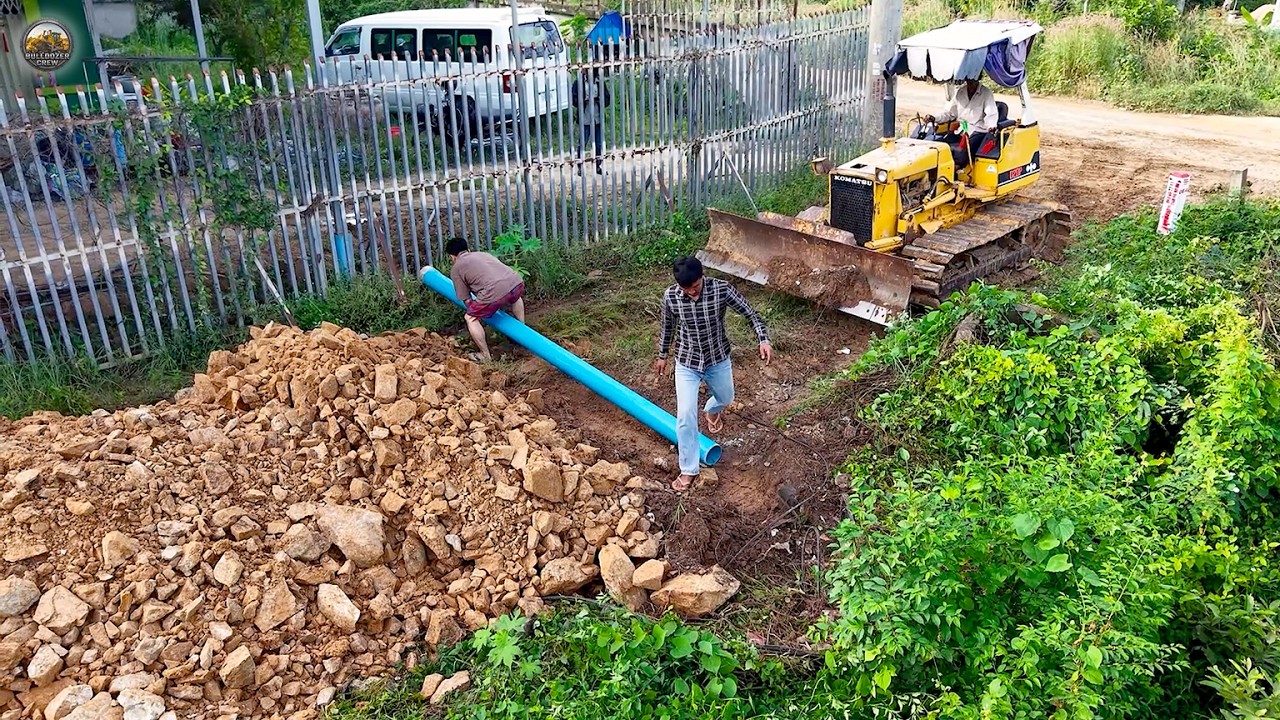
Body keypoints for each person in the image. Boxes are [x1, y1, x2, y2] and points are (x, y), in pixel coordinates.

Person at [653, 256, 772, 492]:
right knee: (685, 415)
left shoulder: (721, 289)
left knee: (726, 398)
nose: (692, 294)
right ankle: (688, 470)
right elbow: (667, 327)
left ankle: (712, 410)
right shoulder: (671, 297)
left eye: (695, 287)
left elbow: (750, 312)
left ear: (702, 277)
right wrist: (662, 355)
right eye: (686, 290)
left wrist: (763, 339)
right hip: (687, 363)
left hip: (717, 359)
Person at [446, 237, 525, 362]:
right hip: (516, 282)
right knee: (515, 297)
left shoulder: (456, 268)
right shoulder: (483, 254)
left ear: (452, 257)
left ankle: (485, 355)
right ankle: (522, 330)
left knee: (470, 318)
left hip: (494, 293)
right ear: (468, 249)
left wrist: (479, 311)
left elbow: (466, 299)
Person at [924, 76, 998, 169]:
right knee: (940, 144)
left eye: (973, 79)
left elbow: (991, 112)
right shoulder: (960, 92)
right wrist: (934, 118)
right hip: (961, 129)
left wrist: (991, 126)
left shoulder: (986, 93)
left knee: (962, 151)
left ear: (978, 78)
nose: (971, 82)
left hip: (978, 130)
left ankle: (954, 170)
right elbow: (950, 113)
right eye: (969, 79)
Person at [571, 65, 611, 175]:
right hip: (585, 118)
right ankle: (580, 167)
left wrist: (599, 100)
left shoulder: (599, 83)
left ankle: (598, 166)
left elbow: (607, 98)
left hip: (597, 118)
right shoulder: (578, 83)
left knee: (598, 144)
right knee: (582, 144)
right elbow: (573, 100)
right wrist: (582, 100)